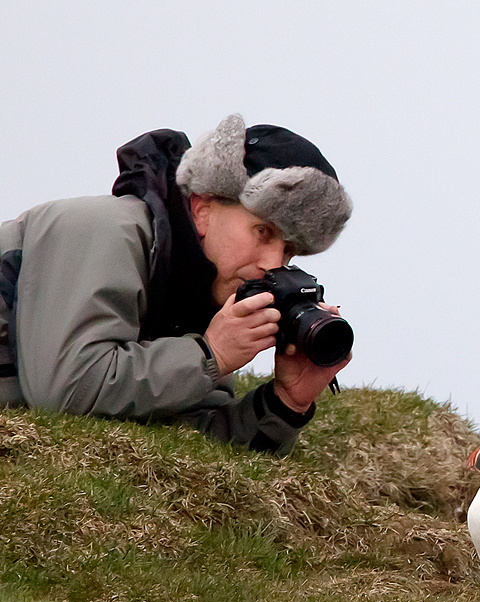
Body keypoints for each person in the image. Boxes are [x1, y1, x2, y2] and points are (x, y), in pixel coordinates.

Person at [0, 114, 353, 456]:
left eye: (289, 250)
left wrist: (287, 401)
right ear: (202, 207)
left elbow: (190, 447)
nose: (274, 263)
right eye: (263, 232)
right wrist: (209, 354)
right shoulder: (104, 229)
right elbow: (65, 389)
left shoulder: (204, 296)